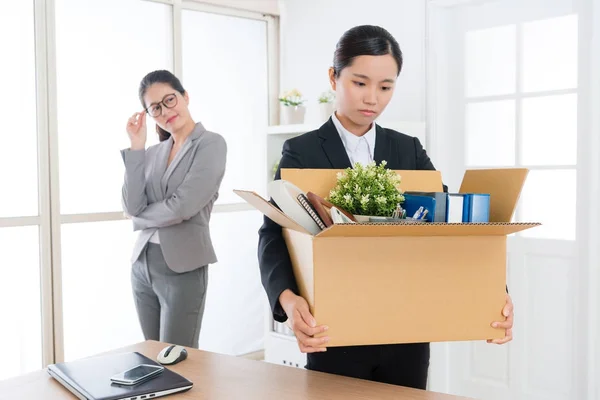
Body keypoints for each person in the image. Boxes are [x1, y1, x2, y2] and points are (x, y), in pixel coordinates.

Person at [257, 25, 514, 388]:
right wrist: (288, 298)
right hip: (334, 330)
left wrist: (493, 292)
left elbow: (452, 225)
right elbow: (273, 232)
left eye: (385, 86)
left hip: (407, 330)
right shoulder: (302, 150)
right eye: (360, 83)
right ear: (334, 77)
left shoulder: (408, 149)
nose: (372, 98)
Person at [121, 70, 227, 348]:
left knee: (178, 360)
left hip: (183, 266)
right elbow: (131, 204)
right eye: (155, 108)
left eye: (170, 100)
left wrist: (139, 218)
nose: (165, 111)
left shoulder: (211, 144)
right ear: (149, 114)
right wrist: (136, 146)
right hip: (142, 264)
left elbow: (183, 207)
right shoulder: (153, 152)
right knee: (152, 356)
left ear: (185, 96)